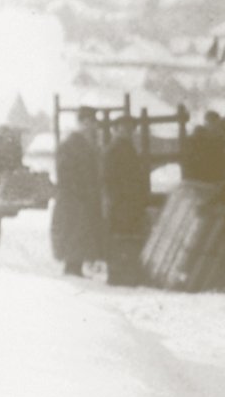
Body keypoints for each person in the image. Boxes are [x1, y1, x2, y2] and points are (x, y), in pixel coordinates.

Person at [49, 113, 108, 277]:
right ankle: (72, 268)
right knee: (74, 231)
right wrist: (80, 190)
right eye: (88, 122)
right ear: (81, 123)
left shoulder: (88, 144)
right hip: (73, 198)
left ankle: (76, 266)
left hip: (84, 196)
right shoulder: (69, 145)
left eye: (93, 123)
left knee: (81, 232)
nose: (91, 126)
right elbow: (64, 173)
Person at [100, 117, 150, 287]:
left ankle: (126, 275)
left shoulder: (127, 147)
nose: (128, 131)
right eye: (124, 128)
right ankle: (117, 276)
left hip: (130, 201)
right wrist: (115, 199)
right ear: (116, 129)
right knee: (120, 238)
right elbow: (108, 178)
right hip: (121, 201)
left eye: (131, 128)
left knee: (129, 237)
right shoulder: (114, 149)